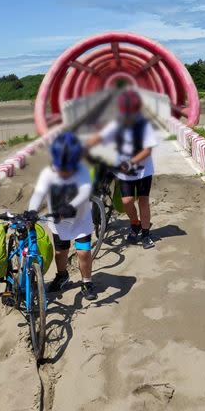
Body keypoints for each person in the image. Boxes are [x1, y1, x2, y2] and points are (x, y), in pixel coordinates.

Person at [28, 131, 97, 301]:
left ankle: (87, 281)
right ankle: (62, 275)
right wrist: (32, 211)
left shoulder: (82, 171)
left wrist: (70, 206)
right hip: (58, 222)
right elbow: (39, 193)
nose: (64, 172)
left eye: (68, 168)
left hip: (80, 219)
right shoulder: (48, 173)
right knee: (60, 252)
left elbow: (85, 191)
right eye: (62, 168)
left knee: (84, 253)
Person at [87, 88, 159, 249]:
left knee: (143, 201)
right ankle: (135, 223)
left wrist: (130, 163)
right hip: (124, 171)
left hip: (142, 170)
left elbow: (147, 150)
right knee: (127, 201)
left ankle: (146, 234)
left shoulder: (143, 125)